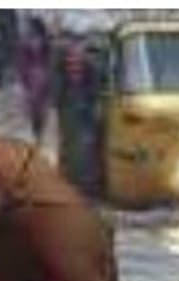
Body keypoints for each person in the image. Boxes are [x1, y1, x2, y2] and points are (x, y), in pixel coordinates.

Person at [53, 22, 104, 196]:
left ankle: (84, 186)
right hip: (70, 104)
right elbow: (58, 81)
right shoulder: (62, 57)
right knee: (71, 144)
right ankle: (71, 183)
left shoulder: (89, 61)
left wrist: (93, 102)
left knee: (85, 147)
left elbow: (95, 84)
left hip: (82, 104)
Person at [16, 17, 53, 145]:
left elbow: (50, 62)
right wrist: (23, 82)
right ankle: (37, 136)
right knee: (34, 112)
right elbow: (22, 65)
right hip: (31, 82)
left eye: (31, 28)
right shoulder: (24, 45)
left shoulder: (47, 44)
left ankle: (39, 136)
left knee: (42, 111)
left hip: (44, 81)